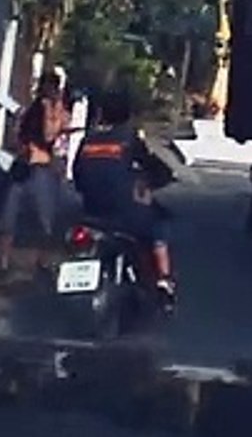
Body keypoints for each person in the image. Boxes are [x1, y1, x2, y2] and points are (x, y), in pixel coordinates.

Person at [71, 89, 176, 304]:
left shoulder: (88, 140)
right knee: (159, 225)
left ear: (102, 113)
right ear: (128, 115)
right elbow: (152, 165)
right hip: (126, 213)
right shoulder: (128, 139)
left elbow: (77, 175)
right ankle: (164, 281)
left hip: (92, 212)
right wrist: (157, 179)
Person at [0, 73, 70, 273]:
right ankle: (3, 261)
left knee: (44, 218)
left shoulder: (58, 111)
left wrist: (50, 110)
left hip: (43, 169)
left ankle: (42, 262)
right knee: (7, 215)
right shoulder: (31, 110)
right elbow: (17, 136)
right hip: (24, 166)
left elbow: (50, 135)